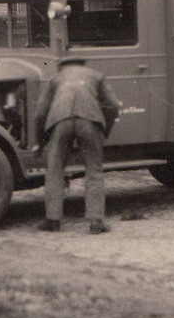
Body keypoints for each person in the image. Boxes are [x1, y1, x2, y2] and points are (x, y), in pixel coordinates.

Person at [31, 56, 120, 234]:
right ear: (82, 63)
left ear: (62, 65)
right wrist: (105, 129)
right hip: (89, 121)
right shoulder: (96, 76)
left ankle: (53, 220)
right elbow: (114, 106)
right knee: (93, 170)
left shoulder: (56, 79)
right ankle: (96, 222)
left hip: (60, 121)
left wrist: (40, 144)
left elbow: (40, 114)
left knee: (54, 169)